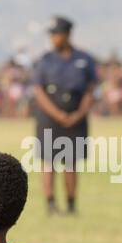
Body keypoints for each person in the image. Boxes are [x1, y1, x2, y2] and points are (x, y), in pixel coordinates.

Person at [31, 16, 97, 214]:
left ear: (67, 35)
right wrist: (57, 114)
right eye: (51, 35)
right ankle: (50, 203)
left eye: (56, 35)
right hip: (49, 118)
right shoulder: (45, 60)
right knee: (49, 161)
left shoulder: (84, 59)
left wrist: (78, 114)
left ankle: (71, 204)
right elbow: (38, 91)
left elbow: (90, 90)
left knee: (70, 162)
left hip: (76, 117)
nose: (53, 39)